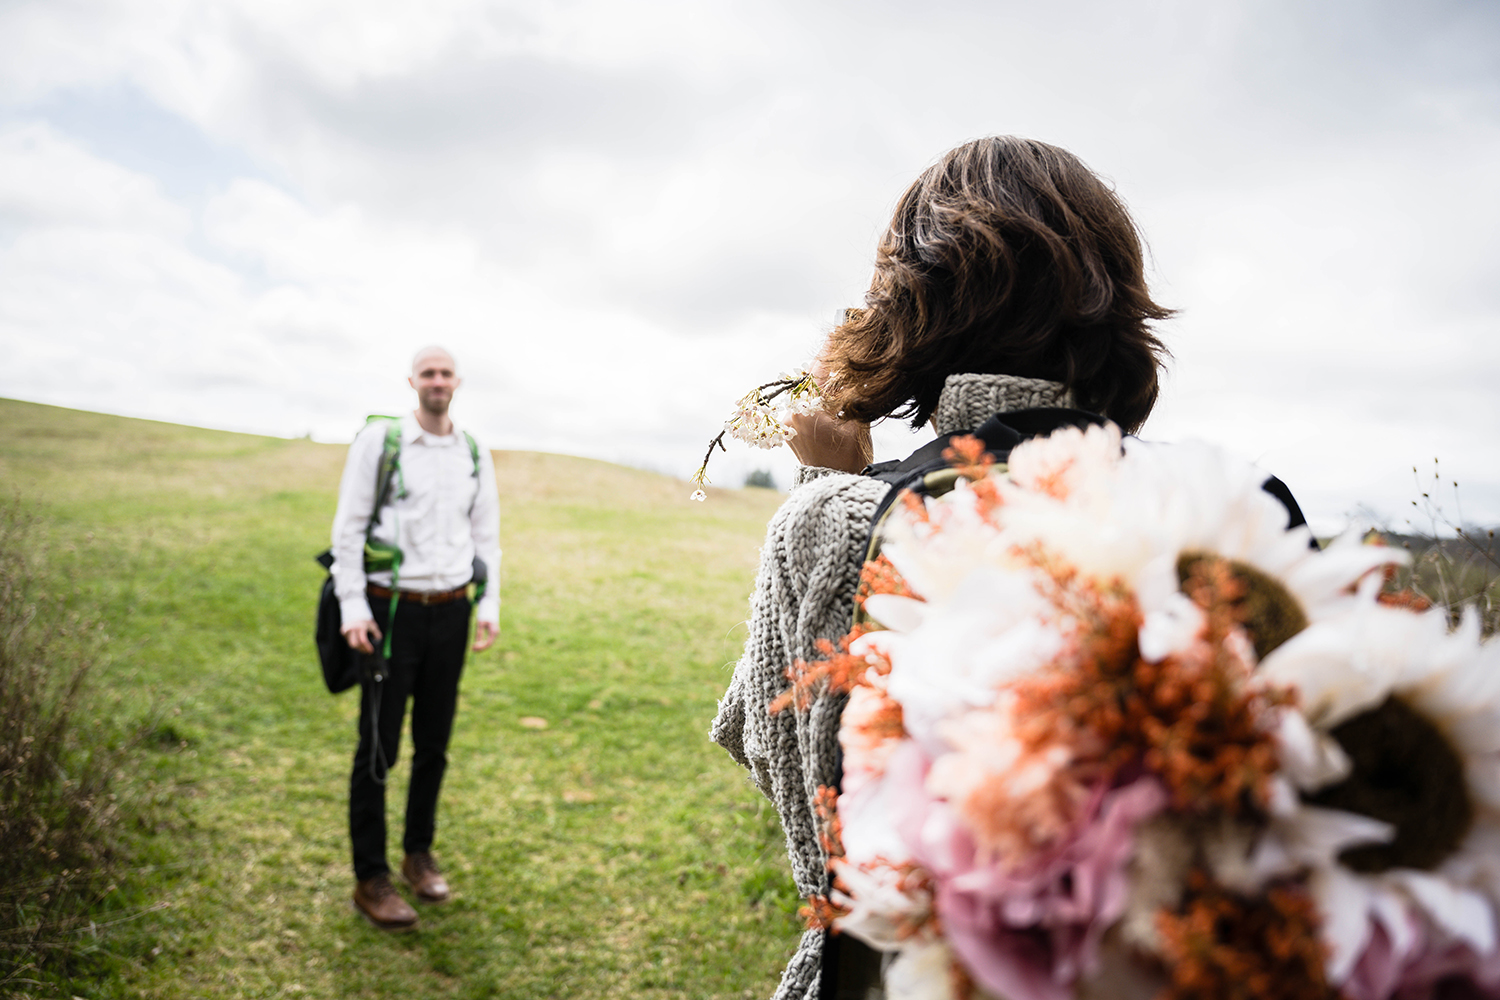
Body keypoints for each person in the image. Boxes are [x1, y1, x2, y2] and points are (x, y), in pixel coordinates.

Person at [709, 137, 1173, 999]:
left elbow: (785, 760)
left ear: (916, 299)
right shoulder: (1235, 509)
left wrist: (828, 485)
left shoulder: (852, 519)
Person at [330, 345, 501, 931]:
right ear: (412, 381)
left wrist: (489, 604)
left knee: (434, 741)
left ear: (457, 381)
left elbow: (487, 536)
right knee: (378, 746)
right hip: (389, 611)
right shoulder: (382, 443)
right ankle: (370, 877)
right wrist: (353, 605)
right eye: (427, 372)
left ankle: (417, 855)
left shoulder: (472, 451)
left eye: (445, 372)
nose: (436, 381)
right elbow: (348, 527)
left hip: (451, 610)